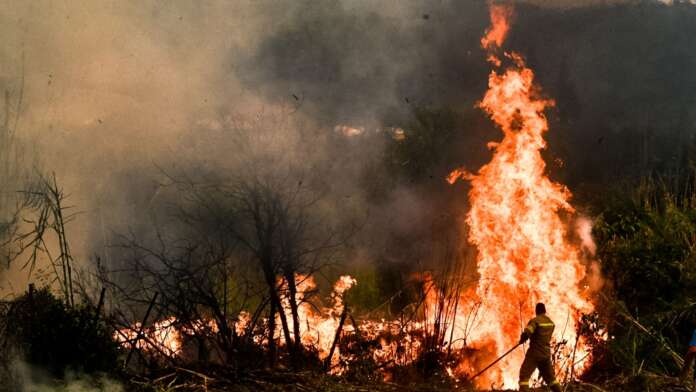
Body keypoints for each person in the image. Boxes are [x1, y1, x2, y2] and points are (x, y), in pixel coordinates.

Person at [518, 302, 562, 392]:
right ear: (545, 311)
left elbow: (528, 331)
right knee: (551, 379)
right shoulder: (551, 323)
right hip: (546, 354)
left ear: (536, 311)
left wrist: (523, 338)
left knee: (524, 375)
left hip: (534, 353)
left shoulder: (535, 321)